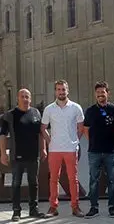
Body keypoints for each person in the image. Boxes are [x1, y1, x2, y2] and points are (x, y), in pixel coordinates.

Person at [0, 88, 46, 222]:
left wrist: (43, 149)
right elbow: (3, 135)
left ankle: (33, 209)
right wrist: (3, 153)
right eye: (22, 97)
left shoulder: (36, 113)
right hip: (16, 156)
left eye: (27, 97)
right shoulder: (10, 115)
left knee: (33, 183)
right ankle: (16, 211)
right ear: (17, 99)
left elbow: (41, 133)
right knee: (16, 183)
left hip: (33, 155)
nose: (25, 99)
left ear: (30, 99)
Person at [41, 80, 85, 217]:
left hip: (71, 149)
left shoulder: (76, 108)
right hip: (54, 150)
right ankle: (53, 207)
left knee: (73, 179)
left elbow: (81, 127)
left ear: (67, 90)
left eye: (63, 89)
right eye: (59, 89)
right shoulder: (49, 109)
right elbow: (43, 128)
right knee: (53, 179)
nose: (61, 92)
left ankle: (75, 207)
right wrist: (50, 141)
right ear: (55, 91)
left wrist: (75, 141)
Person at [83, 81, 114, 218]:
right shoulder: (90, 111)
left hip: (110, 152)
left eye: (103, 92)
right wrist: (94, 142)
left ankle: (112, 207)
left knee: (112, 180)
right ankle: (94, 207)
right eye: (98, 92)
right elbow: (86, 130)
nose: (101, 95)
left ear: (108, 93)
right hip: (94, 152)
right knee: (93, 180)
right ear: (95, 94)